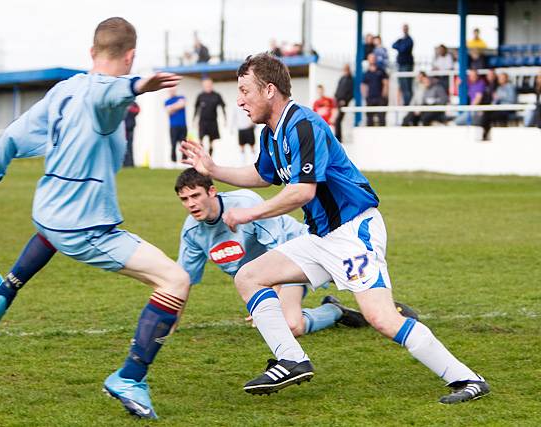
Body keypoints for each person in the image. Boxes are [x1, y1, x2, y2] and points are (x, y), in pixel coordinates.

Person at [180, 52, 489, 403]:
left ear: (268, 90)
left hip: (353, 232)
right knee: (249, 276)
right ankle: (291, 359)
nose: (239, 100)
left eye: (244, 91)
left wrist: (250, 214)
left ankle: (466, 378)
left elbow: (302, 191)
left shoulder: (303, 125)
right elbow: (262, 175)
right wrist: (213, 169)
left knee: (382, 317)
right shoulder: (271, 134)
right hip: (321, 237)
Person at [0, 17, 189, 420]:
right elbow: (108, 93)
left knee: (52, 232)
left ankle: (2, 295)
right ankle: (130, 377)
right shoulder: (107, 94)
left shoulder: (64, 90)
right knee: (175, 280)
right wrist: (139, 85)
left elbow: (15, 132)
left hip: (48, 213)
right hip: (84, 226)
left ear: (90, 52)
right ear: (130, 56)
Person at [175, 168, 418, 336]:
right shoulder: (191, 232)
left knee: (362, 283)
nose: (191, 204)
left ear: (212, 191)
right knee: (291, 326)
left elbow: (279, 251)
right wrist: (169, 323)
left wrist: (267, 305)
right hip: (272, 272)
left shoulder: (245, 204)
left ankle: (389, 314)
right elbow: (182, 280)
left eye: (195, 195)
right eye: (184, 199)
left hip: (302, 251)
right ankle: (335, 311)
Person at [193, 78, 226, 156]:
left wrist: (225, 119)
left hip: (213, 121)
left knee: (212, 141)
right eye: (206, 85)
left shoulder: (217, 95)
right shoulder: (200, 96)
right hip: (202, 121)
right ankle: (202, 155)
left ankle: (210, 157)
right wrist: (194, 120)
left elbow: (223, 107)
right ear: (203, 86)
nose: (208, 86)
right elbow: (196, 109)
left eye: (209, 85)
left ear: (212, 85)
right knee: (201, 139)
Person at [481, 72, 517, 140]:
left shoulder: (510, 87)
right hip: (499, 109)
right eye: (499, 78)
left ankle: (486, 135)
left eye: (502, 78)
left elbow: (512, 99)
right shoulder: (499, 88)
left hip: (507, 110)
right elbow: (495, 100)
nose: (500, 79)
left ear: (506, 79)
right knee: (486, 114)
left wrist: (500, 97)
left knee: (490, 117)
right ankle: (485, 134)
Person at [362, 53, 389, 126]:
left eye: (373, 58)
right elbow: (363, 85)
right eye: (370, 58)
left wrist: (384, 95)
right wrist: (365, 96)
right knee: (369, 118)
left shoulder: (381, 71)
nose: (372, 60)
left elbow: (386, 83)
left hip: (380, 98)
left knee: (381, 118)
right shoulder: (367, 72)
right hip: (370, 98)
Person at [392, 24, 414, 105]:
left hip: (407, 65)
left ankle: (408, 102)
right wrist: (400, 46)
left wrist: (400, 46)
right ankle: (405, 102)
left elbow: (403, 49)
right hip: (401, 65)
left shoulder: (409, 40)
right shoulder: (401, 39)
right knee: (402, 85)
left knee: (407, 85)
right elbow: (393, 45)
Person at [165, 87, 187, 165]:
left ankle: (184, 162)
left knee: (183, 144)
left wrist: (172, 107)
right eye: (170, 90)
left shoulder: (181, 97)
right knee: (173, 144)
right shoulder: (167, 101)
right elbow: (168, 111)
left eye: (173, 90)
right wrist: (177, 105)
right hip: (173, 126)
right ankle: (173, 162)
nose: (172, 92)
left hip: (183, 125)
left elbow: (182, 104)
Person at [333, 64, 353, 141]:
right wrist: (336, 98)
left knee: (338, 120)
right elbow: (338, 90)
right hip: (338, 102)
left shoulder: (350, 79)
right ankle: (337, 137)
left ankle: (339, 138)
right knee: (336, 120)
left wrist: (345, 101)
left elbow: (351, 93)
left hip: (344, 103)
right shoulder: (342, 78)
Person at [123, 101, 139, 167]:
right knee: (123, 146)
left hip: (129, 128)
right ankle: (123, 163)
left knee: (129, 146)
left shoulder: (133, 103)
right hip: (121, 128)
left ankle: (129, 164)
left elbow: (137, 110)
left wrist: (129, 108)